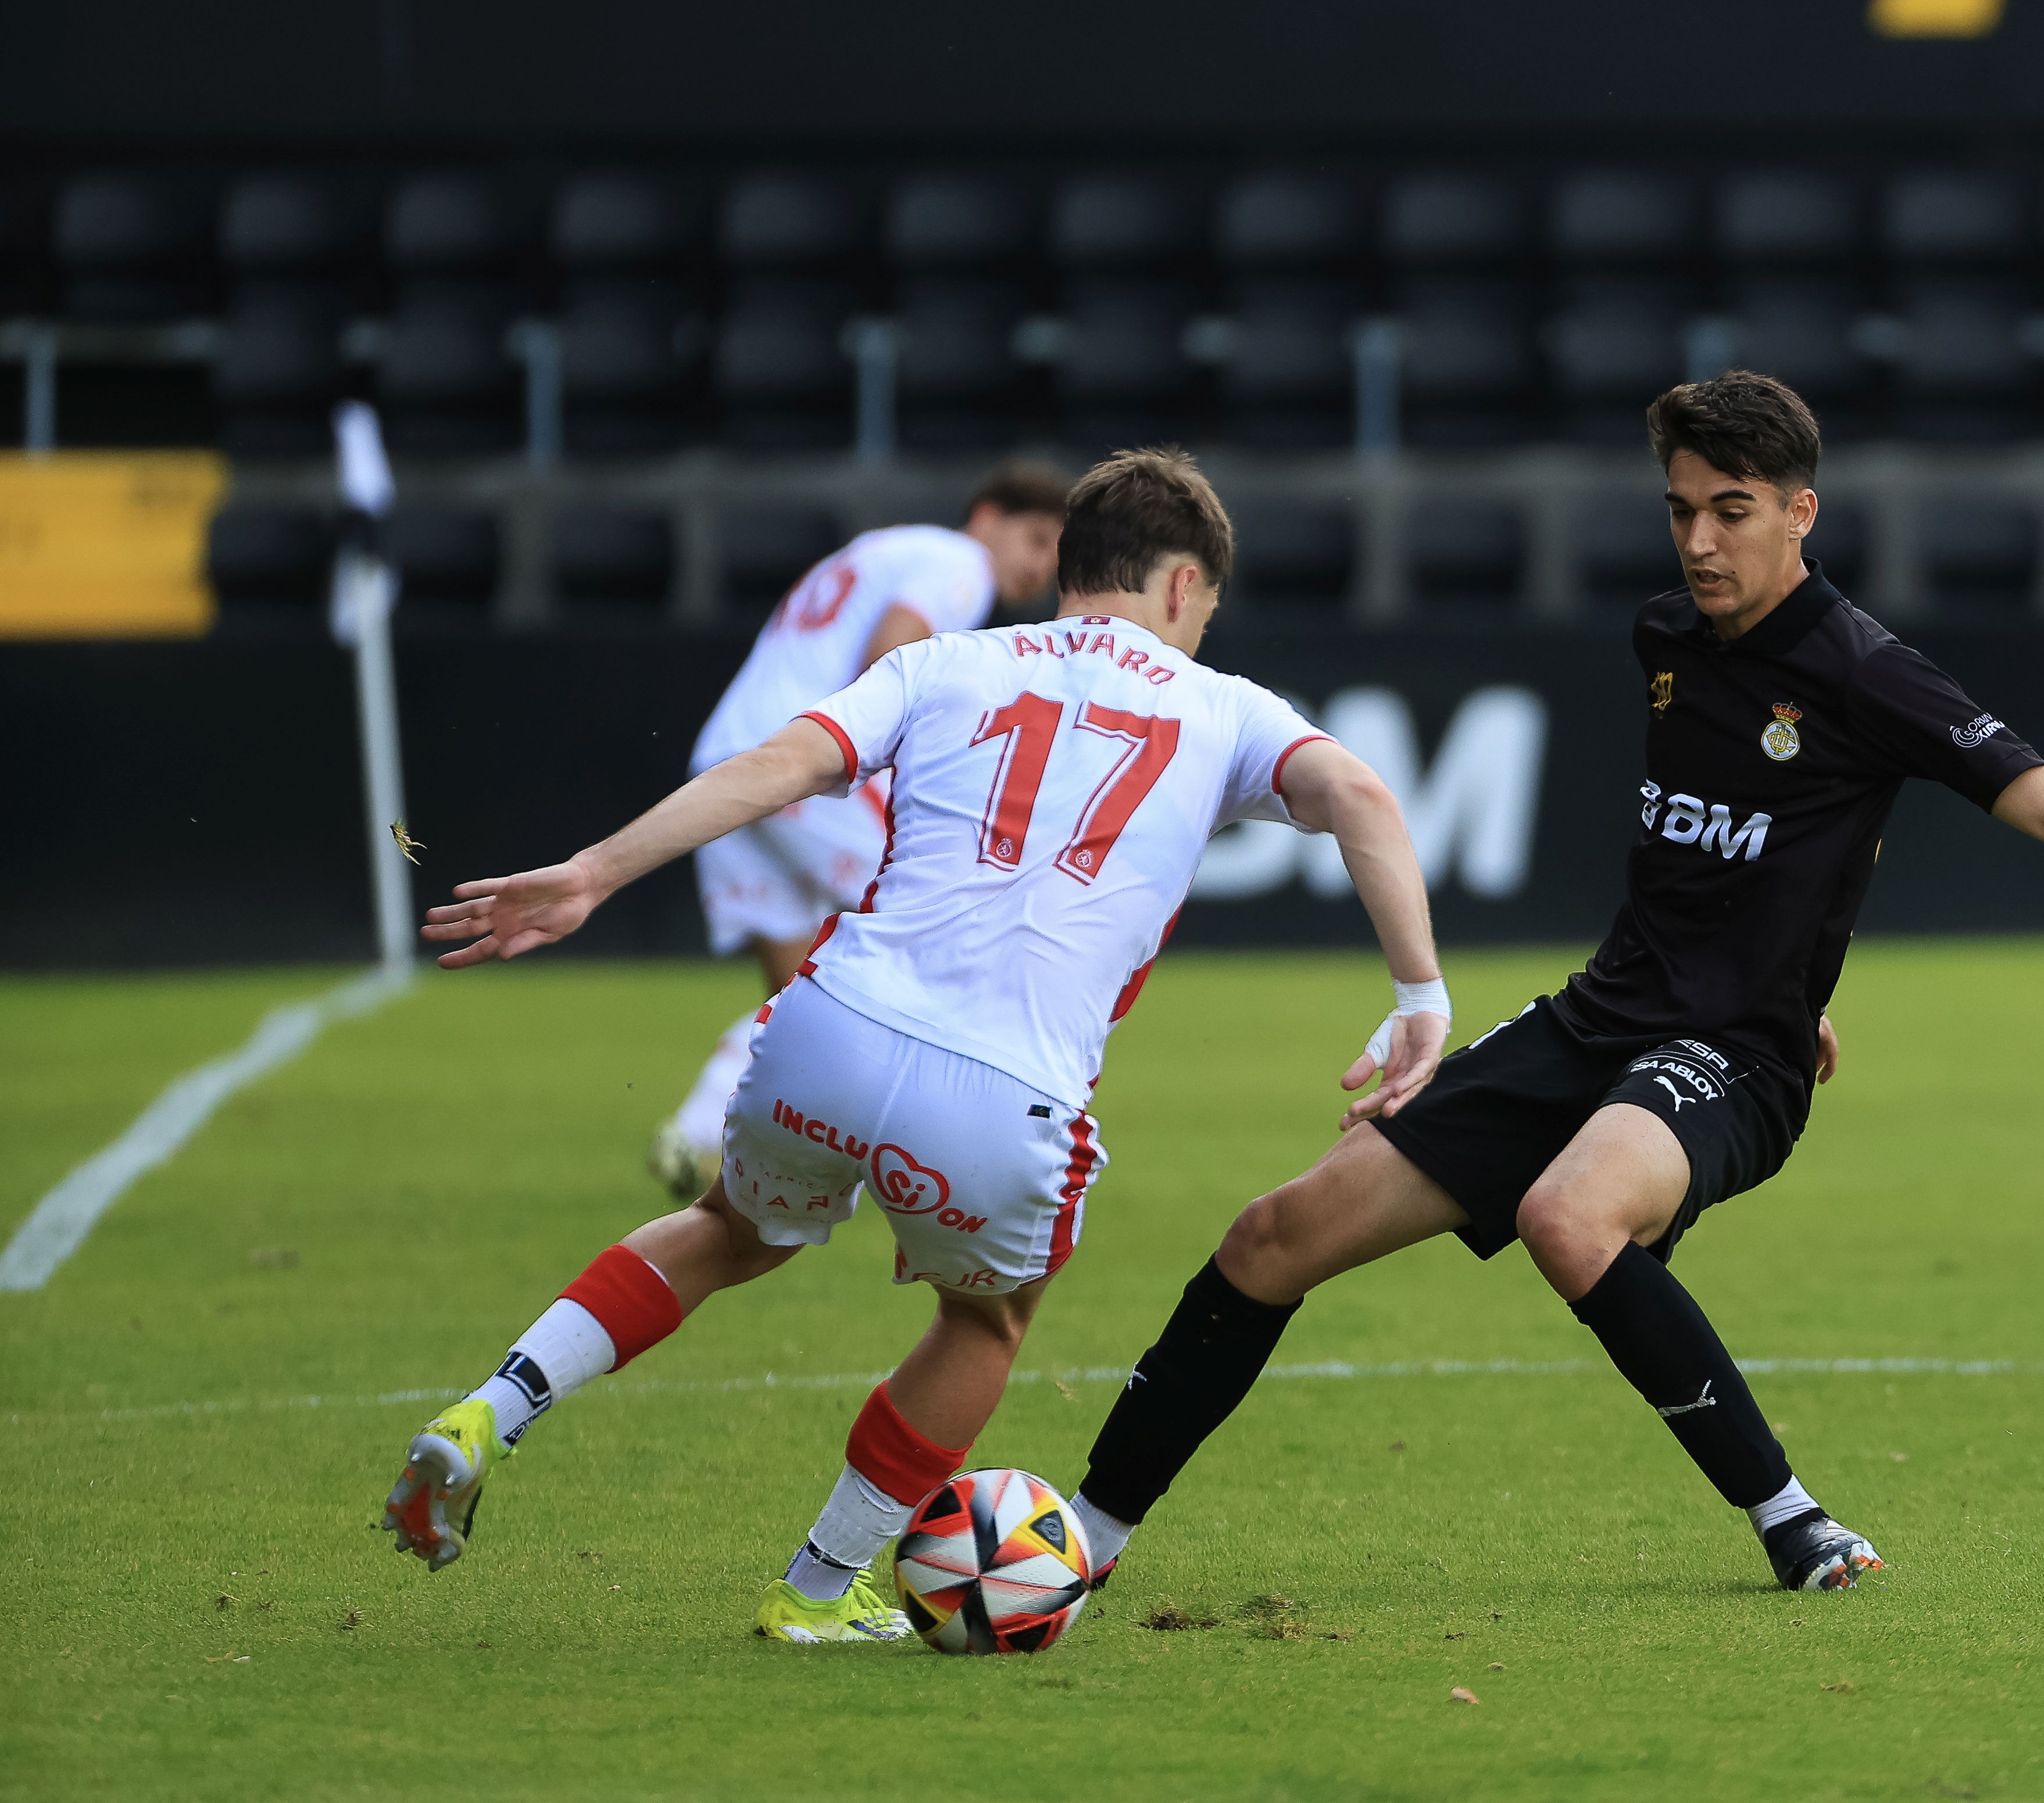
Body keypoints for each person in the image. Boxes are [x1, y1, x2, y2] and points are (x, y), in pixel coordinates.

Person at [1054, 372, 2044, 1596]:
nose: (1698, 540)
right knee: (1267, 1236)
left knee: (1566, 1217)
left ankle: (1793, 1518)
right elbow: (1733, 856)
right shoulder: (1663, 638)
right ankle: (1078, 1543)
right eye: (1681, 508)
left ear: (1800, 512)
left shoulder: (1869, 673)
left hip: (1740, 1056)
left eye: (1732, 511)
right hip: (1599, 1019)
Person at [378, 451, 1456, 1643]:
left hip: (830, 1027)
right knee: (984, 1321)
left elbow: (775, 766)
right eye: (1203, 609)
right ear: (1181, 584)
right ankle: (816, 1587)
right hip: (1005, 1093)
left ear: (1067, 566)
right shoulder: (1227, 709)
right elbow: (1358, 793)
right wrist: (1418, 991)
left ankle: (491, 1409)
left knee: (724, 1234)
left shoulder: (946, 662)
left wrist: (590, 873)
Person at [649, 466, 1071, 1200]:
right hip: (805, 769)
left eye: (1054, 558)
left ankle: (693, 1137)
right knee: (942, 939)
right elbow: (891, 654)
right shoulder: (957, 563)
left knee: (799, 993)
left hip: (730, 764)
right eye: (1035, 539)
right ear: (986, 515)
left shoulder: (879, 549)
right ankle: (960, 1154)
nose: (1038, 566)